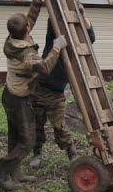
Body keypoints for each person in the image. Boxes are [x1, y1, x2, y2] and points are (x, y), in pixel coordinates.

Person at [0, 0, 67, 191]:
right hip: (18, 99)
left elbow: (31, 17)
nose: (30, 24)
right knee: (27, 140)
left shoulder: (13, 37)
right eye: (28, 25)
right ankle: (2, 173)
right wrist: (56, 48)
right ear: (26, 31)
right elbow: (44, 68)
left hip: (10, 94)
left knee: (15, 136)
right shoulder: (25, 53)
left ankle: (15, 173)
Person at [29, 10, 96, 169]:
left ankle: (72, 153)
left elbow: (91, 37)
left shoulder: (77, 46)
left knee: (60, 127)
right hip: (39, 88)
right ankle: (37, 153)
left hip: (57, 94)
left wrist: (82, 14)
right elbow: (53, 19)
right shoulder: (55, 38)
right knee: (37, 124)